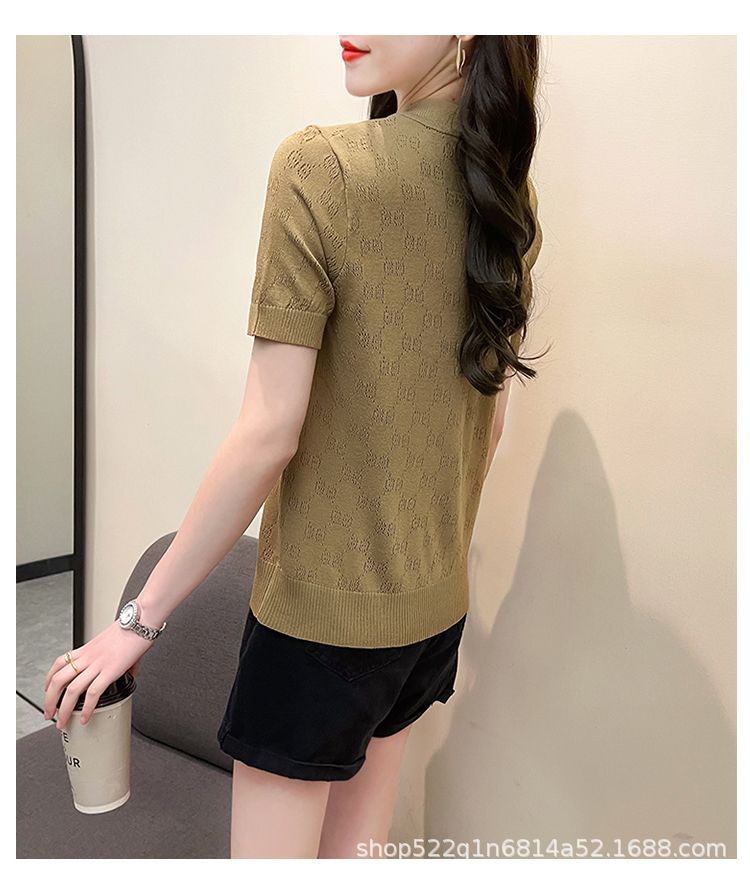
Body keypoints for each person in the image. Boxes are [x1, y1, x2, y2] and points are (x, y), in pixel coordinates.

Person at [42, 34, 545, 858]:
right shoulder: (505, 189)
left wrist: (135, 622)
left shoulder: (323, 167)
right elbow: (487, 424)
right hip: (432, 616)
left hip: (318, 633)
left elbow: (269, 430)